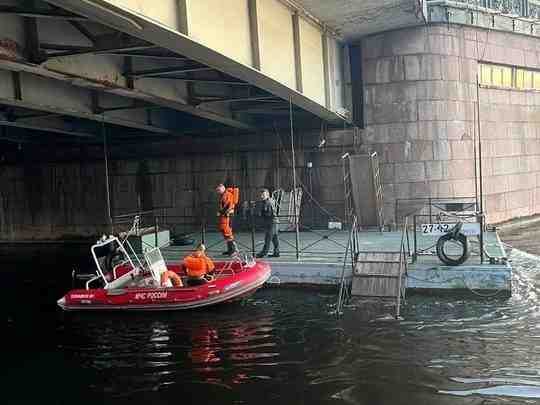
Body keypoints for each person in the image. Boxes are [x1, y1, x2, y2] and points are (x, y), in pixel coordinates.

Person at [256, 188, 280, 258]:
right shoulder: (271, 200)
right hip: (275, 222)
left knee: (268, 238)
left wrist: (261, 213)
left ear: (267, 195)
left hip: (271, 222)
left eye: (263, 195)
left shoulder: (267, 202)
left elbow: (267, 213)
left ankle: (264, 253)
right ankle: (276, 252)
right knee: (275, 238)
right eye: (261, 195)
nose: (262, 196)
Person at [216, 183, 238, 256]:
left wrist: (220, 212)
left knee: (227, 233)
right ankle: (230, 250)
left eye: (218, 190)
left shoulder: (227, 195)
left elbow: (228, 205)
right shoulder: (225, 194)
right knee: (226, 233)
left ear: (222, 188)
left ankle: (233, 250)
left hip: (227, 216)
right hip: (226, 216)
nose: (218, 192)